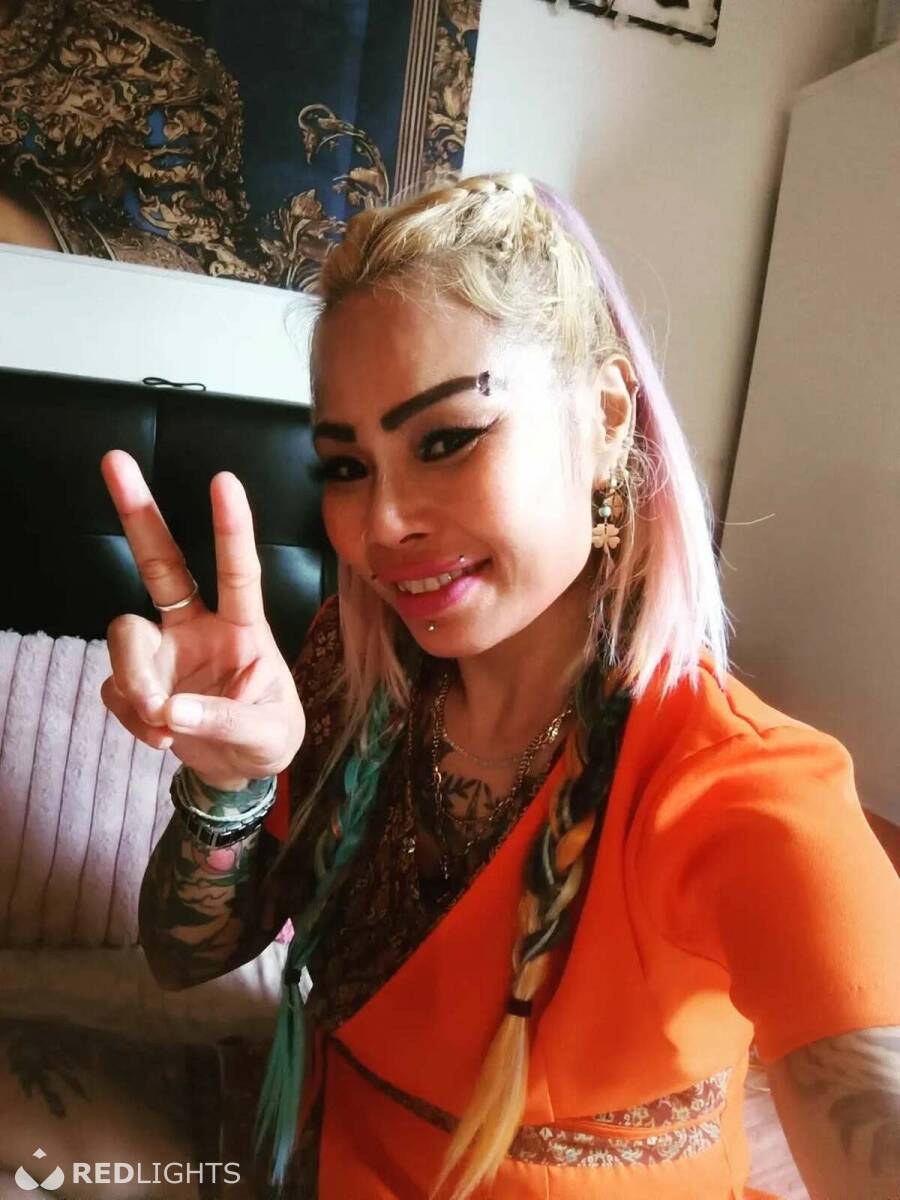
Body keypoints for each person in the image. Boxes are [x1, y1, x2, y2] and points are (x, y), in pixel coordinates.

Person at [99, 173, 900, 1200]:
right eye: (347, 466)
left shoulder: (735, 784)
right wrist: (229, 785)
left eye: (447, 440)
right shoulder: (347, 676)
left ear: (606, 416)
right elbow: (183, 960)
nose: (383, 523)